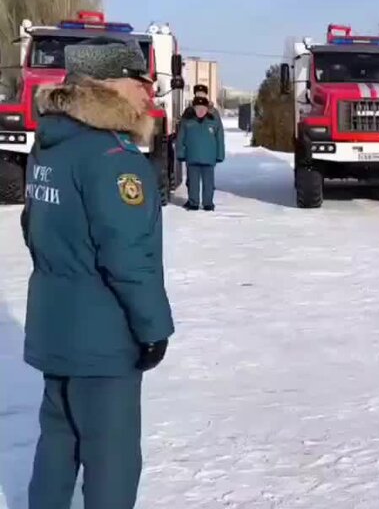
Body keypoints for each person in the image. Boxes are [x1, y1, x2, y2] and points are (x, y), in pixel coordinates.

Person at [20, 38, 174, 509]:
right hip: (104, 340)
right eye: (139, 81)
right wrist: (153, 328)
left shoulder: (51, 145)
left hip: (54, 327)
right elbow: (128, 256)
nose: (149, 93)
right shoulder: (114, 159)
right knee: (112, 463)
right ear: (106, 85)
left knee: (58, 448)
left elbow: (33, 228)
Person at [177, 95, 226, 211]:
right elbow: (180, 138)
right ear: (193, 108)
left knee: (208, 183)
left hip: (209, 158)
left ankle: (208, 203)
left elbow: (220, 138)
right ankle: (194, 202)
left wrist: (220, 155)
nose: (200, 111)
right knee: (193, 182)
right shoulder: (187, 120)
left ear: (207, 108)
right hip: (192, 157)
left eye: (202, 108)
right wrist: (180, 153)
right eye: (197, 108)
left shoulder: (213, 120)